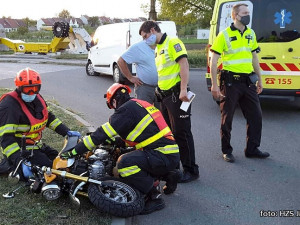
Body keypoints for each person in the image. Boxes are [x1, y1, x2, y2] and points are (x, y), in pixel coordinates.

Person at [61, 83, 180, 215]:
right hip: (169, 153)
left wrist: (75, 151)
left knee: (124, 163)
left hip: (160, 155)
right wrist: (113, 141)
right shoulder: (139, 104)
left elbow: (99, 134)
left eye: (112, 106)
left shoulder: (125, 110)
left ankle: (154, 196)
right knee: (131, 156)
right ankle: (170, 174)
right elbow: (139, 136)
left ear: (114, 101)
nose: (114, 109)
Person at [138, 21, 199, 183]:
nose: (145, 40)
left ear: (152, 30)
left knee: (182, 133)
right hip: (164, 98)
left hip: (178, 95)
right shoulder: (158, 49)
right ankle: (175, 167)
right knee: (170, 134)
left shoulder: (173, 42)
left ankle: (191, 170)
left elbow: (183, 64)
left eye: (146, 36)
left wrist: (184, 89)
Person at [210, 3, 270, 163]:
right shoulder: (224, 35)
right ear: (236, 15)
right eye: (245, 12)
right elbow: (214, 62)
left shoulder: (251, 33)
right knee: (227, 118)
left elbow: (254, 59)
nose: (247, 15)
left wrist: (260, 80)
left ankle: (252, 149)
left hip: (248, 82)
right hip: (230, 83)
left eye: (248, 12)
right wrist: (214, 85)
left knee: (256, 116)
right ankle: (226, 150)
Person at [0, 68, 72, 178]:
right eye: (27, 89)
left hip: (36, 145)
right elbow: (6, 139)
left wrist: (67, 132)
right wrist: (20, 161)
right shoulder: (9, 106)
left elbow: (48, 118)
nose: (31, 92)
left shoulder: (37, 98)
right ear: (19, 87)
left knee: (61, 161)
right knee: (52, 170)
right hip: (20, 149)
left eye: (35, 88)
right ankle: (11, 165)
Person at [117, 39, 158, 104]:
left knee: (160, 113)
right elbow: (120, 61)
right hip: (144, 87)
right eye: (144, 36)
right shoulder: (138, 47)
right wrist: (130, 77)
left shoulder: (162, 45)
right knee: (143, 112)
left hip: (160, 88)